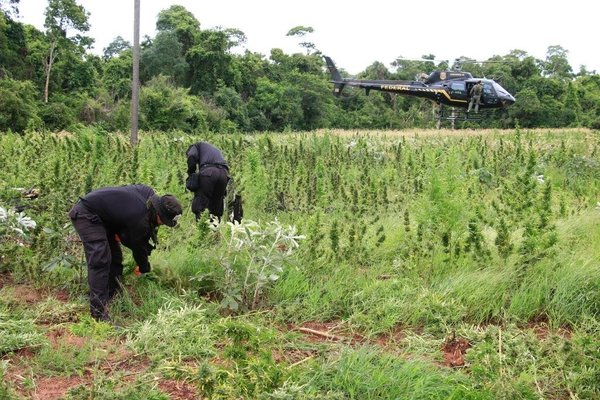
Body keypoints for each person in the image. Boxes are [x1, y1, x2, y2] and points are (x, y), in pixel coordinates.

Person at [68, 184, 182, 322]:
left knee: (115, 258)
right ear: (158, 213)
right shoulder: (140, 217)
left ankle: (113, 295)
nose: (163, 224)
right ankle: (98, 314)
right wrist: (144, 267)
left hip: (105, 219)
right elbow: (138, 246)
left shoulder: (148, 194)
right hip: (87, 214)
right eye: (163, 221)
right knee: (100, 260)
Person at [185, 141, 230, 221]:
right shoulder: (213, 149)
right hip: (224, 174)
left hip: (209, 173)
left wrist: (191, 173)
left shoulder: (195, 146)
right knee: (217, 204)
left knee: (201, 202)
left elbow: (191, 156)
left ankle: (201, 227)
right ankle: (215, 229)